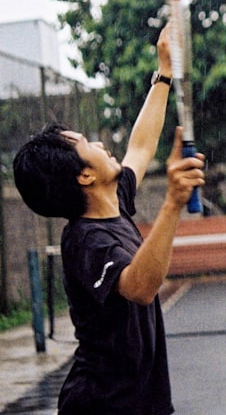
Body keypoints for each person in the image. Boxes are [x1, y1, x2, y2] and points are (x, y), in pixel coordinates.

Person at [13, 25, 205, 415]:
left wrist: (164, 72)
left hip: (142, 402)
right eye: (88, 144)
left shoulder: (114, 200)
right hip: (104, 406)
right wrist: (172, 204)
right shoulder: (85, 241)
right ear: (85, 176)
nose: (100, 144)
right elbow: (139, 287)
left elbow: (142, 144)